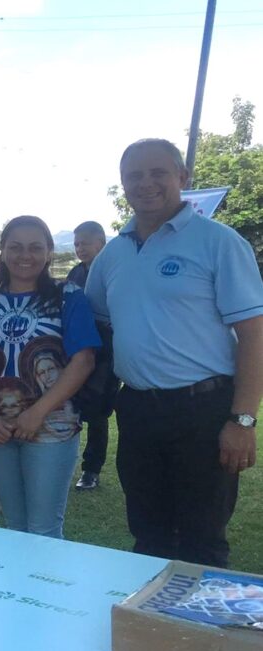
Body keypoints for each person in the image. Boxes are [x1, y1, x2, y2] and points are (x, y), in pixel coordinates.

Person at [85, 138, 263, 567]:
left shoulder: (218, 242)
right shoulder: (113, 254)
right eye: (134, 175)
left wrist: (242, 420)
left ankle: (200, 635)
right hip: (138, 410)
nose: (145, 183)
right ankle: (152, 632)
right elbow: (98, 320)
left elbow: (255, 334)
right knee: (148, 534)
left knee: (203, 539)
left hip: (204, 409)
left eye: (158, 173)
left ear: (182, 178)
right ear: (123, 184)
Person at [0, 215, 99, 539]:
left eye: (35, 247)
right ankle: (17, 591)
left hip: (52, 426)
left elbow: (84, 360)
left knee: (43, 528)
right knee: (15, 528)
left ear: (49, 252)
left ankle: (46, 591)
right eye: (15, 247)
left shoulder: (68, 296)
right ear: (3, 252)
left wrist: (37, 413)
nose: (25, 255)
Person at [66, 221, 112, 490]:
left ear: (101, 244)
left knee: (96, 413)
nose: (80, 248)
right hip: (76, 349)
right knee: (70, 405)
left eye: (85, 243)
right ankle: (64, 461)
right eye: (76, 244)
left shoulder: (111, 271)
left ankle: (91, 470)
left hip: (105, 352)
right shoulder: (74, 273)